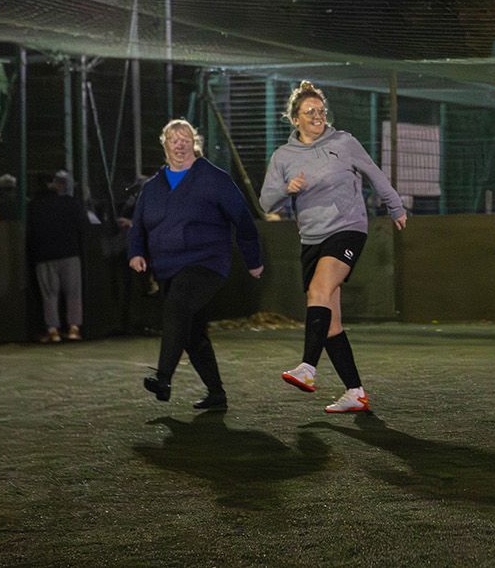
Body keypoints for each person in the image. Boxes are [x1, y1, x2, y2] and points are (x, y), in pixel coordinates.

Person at [260, 81, 408, 414]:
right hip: (311, 238)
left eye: (321, 110)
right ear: (294, 118)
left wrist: (395, 206)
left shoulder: (344, 142)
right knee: (330, 322)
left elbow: (374, 173)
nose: (317, 116)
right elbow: (265, 200)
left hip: (347, 228)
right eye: (309, 112)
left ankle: (307, 368)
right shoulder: (283, 156)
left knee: (318, 291)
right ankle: (355, 392)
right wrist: (288, 187)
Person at [129, 119, 263, 409]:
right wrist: (136, 252)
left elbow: (241, 218)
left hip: (206, 262)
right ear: (165, 144)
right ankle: (217, 394)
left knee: (177, 306)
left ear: (195, 143)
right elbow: (138, 225)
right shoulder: (152, 187)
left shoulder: (213, 178)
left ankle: (163, 378)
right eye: (173, 139)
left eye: (185, 138)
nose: (179, 143)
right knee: (191, 333)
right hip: (167, 267)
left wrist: (254, 259)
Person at [28, 170, 86, 343]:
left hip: (44, 256)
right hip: (69, 253)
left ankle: (53, 331)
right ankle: (74, 328)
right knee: (74, 293)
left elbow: (31, 231)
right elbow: (82, 225)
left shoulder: (36, 204)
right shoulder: (71, 203)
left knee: (49, 295)